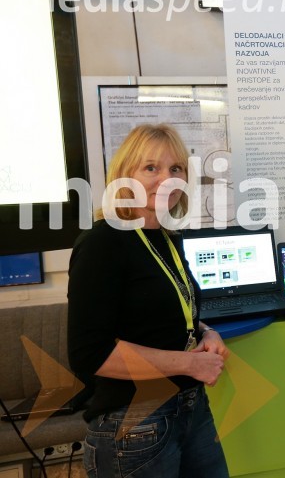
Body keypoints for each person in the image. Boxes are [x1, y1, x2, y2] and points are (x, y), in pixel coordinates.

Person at [68, 124, 230, 478]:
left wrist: (205, 331)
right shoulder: (103, 243)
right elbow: (89, 354)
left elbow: (162, 310)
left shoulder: (167, 238)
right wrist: (189, 365)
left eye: (176, 169)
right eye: (151, 168)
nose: (166, 179)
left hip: (189, 409)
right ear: (125, 176)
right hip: (135, 422)